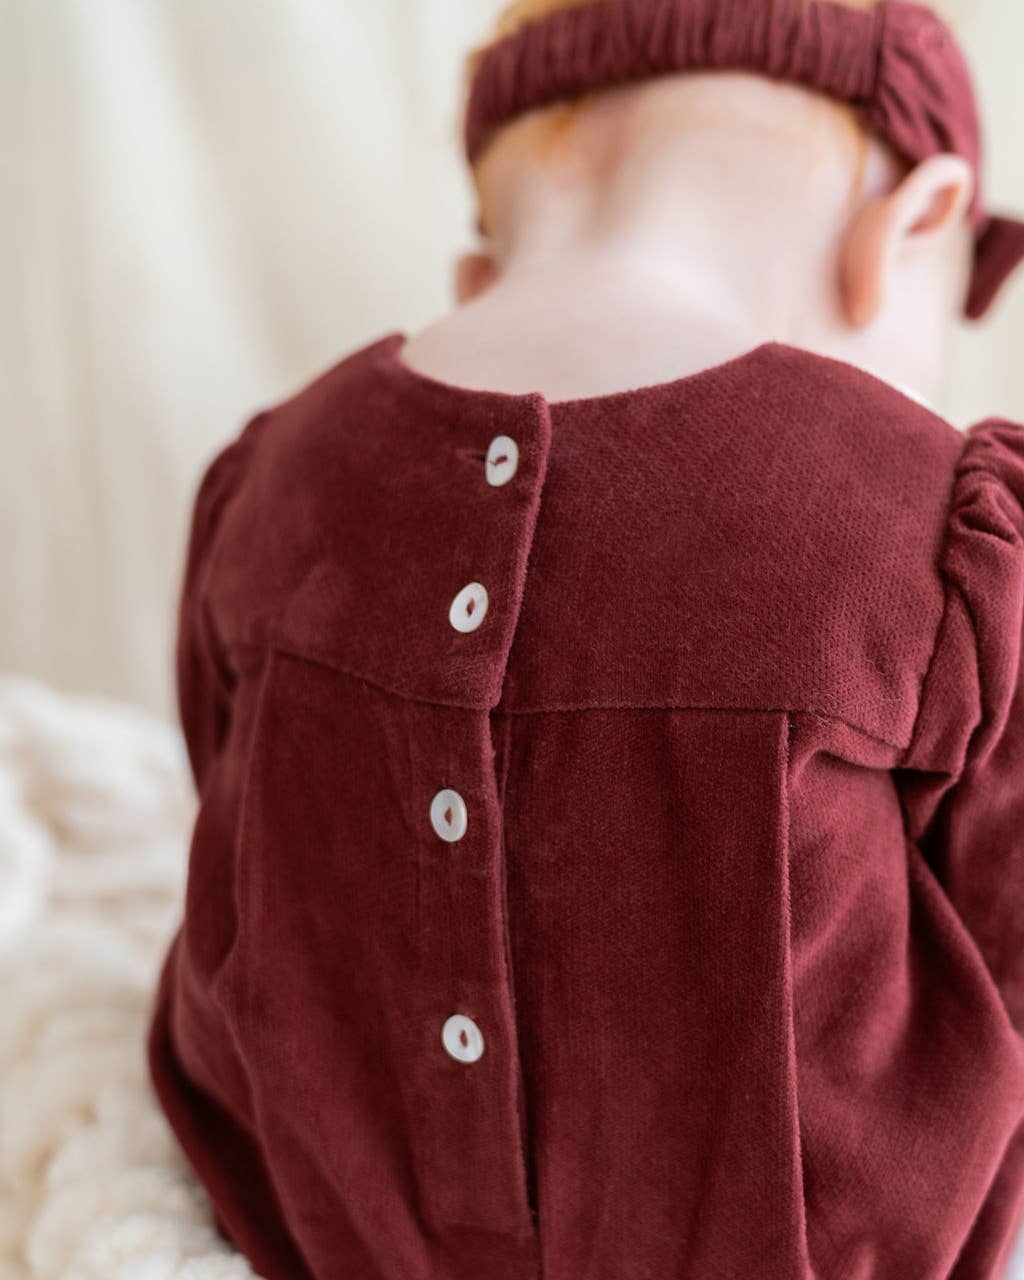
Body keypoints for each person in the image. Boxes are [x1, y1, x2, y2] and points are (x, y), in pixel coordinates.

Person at [147, 1, 1024, 1277]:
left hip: (299, 1217)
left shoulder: (273, 472)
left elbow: (219, 795)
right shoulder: (930, 519)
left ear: (477, 274)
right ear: (912, 228)